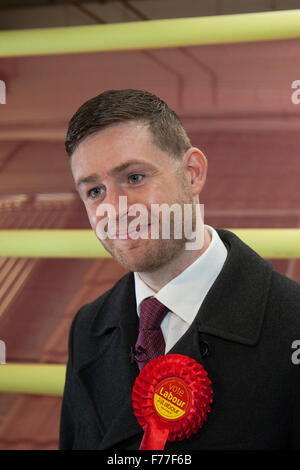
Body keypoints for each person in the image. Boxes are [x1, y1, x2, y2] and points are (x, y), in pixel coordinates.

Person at [59, 89, 300, 450]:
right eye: (94, 191)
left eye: (135, 178)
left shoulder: (291, 322)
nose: (114, 208)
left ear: (192, 173)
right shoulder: (87, 326)